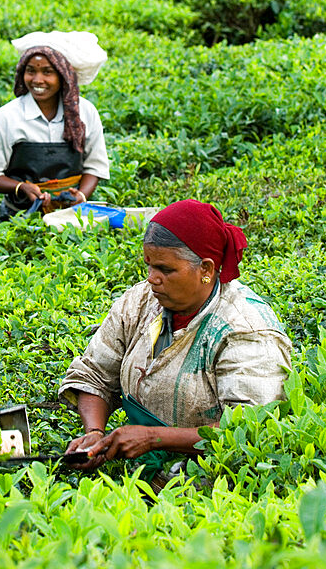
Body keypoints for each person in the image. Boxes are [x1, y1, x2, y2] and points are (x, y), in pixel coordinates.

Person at [60, 199, 292, 471]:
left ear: (205, 269)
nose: (151, 278)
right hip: (141, 471)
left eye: (165, 270)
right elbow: (95, 374)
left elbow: (251, 426)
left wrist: (155, 439)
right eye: (149, 265)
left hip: (212, 478)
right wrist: (95, 432)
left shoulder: (245, 329)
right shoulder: (139, 302)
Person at [0, 33, 110, 222]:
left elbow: (95, 166)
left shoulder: (85, 112)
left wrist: (81, 196)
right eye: (30, 71)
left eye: (47, 72)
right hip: (20, 218)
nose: (38, 79)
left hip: (73, 217)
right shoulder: (5, 118)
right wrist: (21, 187)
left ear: (63, 76)